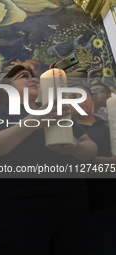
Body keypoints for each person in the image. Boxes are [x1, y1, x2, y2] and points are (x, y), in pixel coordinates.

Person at [0, 65, 97, 255]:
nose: (33, 79)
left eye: (35, 77)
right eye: (24, 76)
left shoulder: (57, 111)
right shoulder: (1, 113)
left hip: (71, 200)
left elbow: (91, 149)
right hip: (23, 203)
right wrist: (33, 121)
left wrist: (76, 148)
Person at [70, 85, 116, 255]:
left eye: (84, 95)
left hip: (110, 203)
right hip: (79, 208)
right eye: (73, 97)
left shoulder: (110, 125)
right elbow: (72, 165)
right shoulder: (64, 129)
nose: (80, 100)